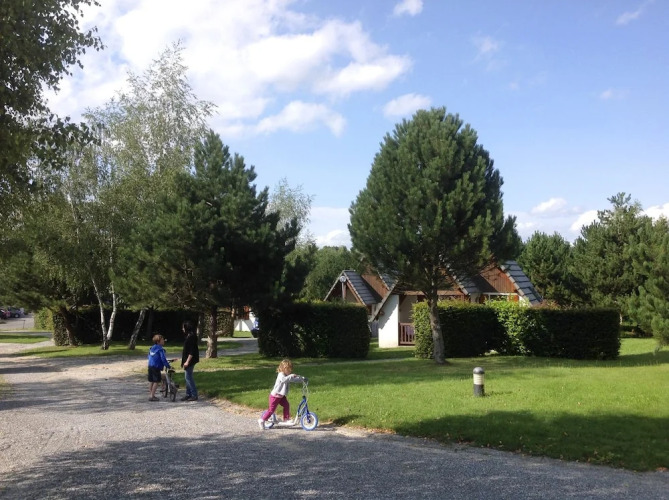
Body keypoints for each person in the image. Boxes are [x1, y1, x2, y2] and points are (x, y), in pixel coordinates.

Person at [257, 359, 307, 430]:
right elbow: (284, 379)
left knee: (286, 405)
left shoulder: (287, 376)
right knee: (271, 410)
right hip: (275, 396)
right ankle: (262, 420)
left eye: (290, 370)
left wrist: (302, 379)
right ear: (283, 369)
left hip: (281, 396)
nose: (289, 371)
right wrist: (291, 375)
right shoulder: (281, 374)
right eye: (288, 369)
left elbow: (293, 379)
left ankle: (286, 419)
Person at [147, 334, 171, 401]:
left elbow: (148, 356)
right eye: (162, 340)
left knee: (151, 381)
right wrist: (168, 365)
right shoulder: (160, 349)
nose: (163, 341)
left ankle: (151, 394)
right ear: (158, 342)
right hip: (156, 367)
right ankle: (152, 396)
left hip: (150, 366)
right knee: (156, 381)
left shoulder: (151, 348)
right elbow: (163, 359)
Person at [180, 320, 199, 401]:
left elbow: (192, 351)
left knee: (188, 377)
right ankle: (188, 394)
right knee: (187, 377)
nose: (182, 329)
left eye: (183, 327)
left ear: (187, 328)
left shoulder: (191, 337)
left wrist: (187, 361)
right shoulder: (189, 336)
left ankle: (194, 394)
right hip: (187, 359)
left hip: (190, 360)